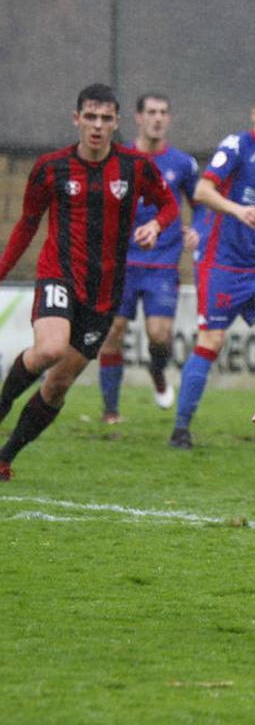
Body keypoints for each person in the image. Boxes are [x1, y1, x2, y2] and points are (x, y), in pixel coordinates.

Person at [0, 83, 177, 480]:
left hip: (104, 293)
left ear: (116, 123)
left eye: (105, 118)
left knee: (59, 384)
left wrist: (155, 224)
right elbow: (27, 225)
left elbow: (169, 205)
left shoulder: (135, 167)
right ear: (76, 118)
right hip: (58, 274)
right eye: (90, 117)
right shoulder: (51, 168)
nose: (97, 126)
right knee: (49, 350)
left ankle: (6, 455)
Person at [169, 84, 255, 452]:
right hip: (219, 267)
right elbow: (201, 191)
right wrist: (236, 209)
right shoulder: (237, 146)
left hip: (254, 274)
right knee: (211, 341)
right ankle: (180, 430)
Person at [96, 92, 201, 423]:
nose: (157, 118)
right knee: (113, 332)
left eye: (163, 112)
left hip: (161, 266)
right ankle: (111, 412)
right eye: (151, 112)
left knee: (159, 335)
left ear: (168, 118)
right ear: (138, 118)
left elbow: (202, 207)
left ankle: (157, 371)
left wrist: (196, 231)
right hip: (121, 264)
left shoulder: (182, 164)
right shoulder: (119, 159)